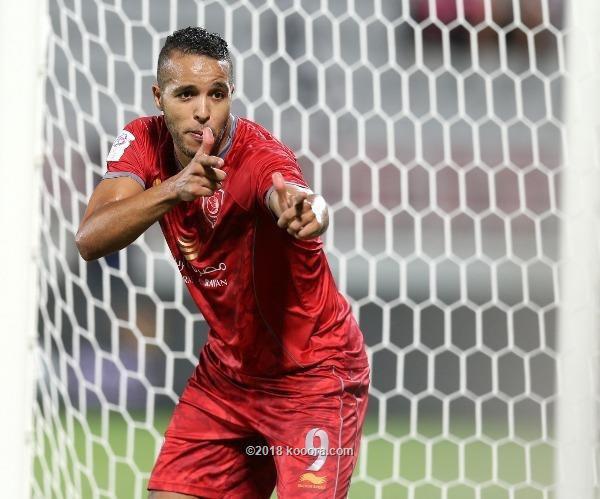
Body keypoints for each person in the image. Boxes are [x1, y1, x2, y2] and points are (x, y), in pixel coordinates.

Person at [76, 26, 369, 499]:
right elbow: (90, 238)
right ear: (159, 97)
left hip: (312, 375)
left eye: (216, 93)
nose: (203, 110)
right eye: (185, 94)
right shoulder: (143, 140)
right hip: (230, 376)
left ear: (231, 94)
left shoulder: (259, 156)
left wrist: (308, 211)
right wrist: (173, 189)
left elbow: (292, 194)